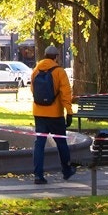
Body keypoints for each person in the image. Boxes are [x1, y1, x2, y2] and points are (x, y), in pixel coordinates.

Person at [30, 45, 75, 184]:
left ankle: (38, 175)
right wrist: (69, 112)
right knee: (61, 143)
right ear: (56, 57)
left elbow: (33, 90)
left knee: (39, 144)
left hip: (39, 113)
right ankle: (67, 170)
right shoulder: (59, 71)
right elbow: (65, 94)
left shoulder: (36, 70)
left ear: (44, 55)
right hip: (55, 114)